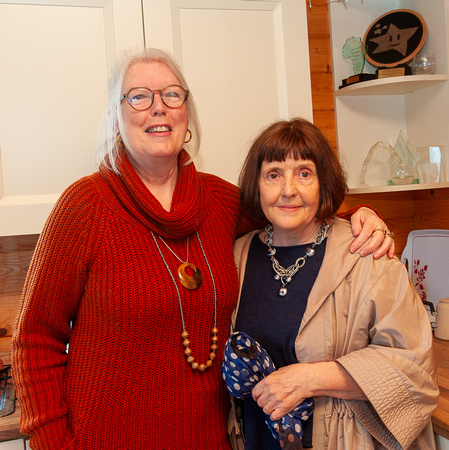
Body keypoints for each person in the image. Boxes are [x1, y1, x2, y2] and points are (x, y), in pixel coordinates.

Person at [11, 49, 393, 450]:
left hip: (210, 439)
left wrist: (360, 215)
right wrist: (50, 440)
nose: (158, 108)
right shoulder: (85, 206)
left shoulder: (220, 202)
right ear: (116, 117)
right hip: (103, 439)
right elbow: (35, 338)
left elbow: (293, 211)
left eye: (171, 95)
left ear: (186, 114)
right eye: (138, 96)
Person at [226, 117, 439, 450]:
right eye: (273, 174)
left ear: (324, 182)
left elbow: (416, 369)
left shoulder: (368, 254)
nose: (288, 190)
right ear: (256, 185)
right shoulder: (236, 255)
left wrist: (309, 378)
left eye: (304, 173)